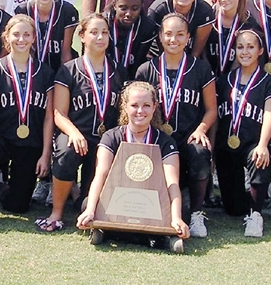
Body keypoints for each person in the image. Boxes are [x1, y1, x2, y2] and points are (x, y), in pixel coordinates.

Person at [38, 14, 127, 231]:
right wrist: (74, 133)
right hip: (78, 136)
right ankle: (57, 212)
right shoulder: (69, 70)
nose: (100, 37)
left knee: (90, 205)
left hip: (106, 141)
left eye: (105, 32)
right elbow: (59, 113)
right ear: (82, 36)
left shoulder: (118, 71)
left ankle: (77, 194)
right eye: (94, 32)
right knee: (67, 152)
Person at [0, 15, 55, 231]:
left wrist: (45, 155)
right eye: (16, 34)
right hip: (2, 138)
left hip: (29, 144)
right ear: (7, 37)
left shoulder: (45, 73)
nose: (21, 39)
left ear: (34, 38)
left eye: (27, 34)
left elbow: (48, 118)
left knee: (18, 206)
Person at [76, 81, 190, 242]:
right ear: (125, 106)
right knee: (87, 203)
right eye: (134, 105)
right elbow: (101, 175)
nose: (140, 111)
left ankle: (110, 231)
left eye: (146, 105)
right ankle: (154, 237)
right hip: (119, 201)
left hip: (150, 204)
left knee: (183, 210)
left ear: (154, 106)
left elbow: (172, 183)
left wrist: (176, 218)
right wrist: (90, 211)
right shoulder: (111, 137)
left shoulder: (165, 141)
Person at [135, 14, 217, 238]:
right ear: (160, 37)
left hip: (187, 135)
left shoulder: (200, 69)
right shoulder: (146, 70)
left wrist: (201, 129)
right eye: (168, 34)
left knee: (200, 153)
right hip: (156, 136)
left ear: (189, 37)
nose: (174, 39)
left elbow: (211, 109)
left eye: (180, 34)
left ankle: (197, 213)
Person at [212, 29, 271, 237]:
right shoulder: (224, 81)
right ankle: (255, 196)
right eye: (240, 47)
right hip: (227, 146)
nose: (245, 51)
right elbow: (216, 117)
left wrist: (262, 144)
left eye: (250, 47)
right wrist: (213, 149)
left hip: (253, 143)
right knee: (233, 209)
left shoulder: (269, 82)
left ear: (260, 51)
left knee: (259, 159)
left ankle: (256, 214)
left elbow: (270, 115)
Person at [15, 0, 78, 72]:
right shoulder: (23, 11)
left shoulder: (67, 11)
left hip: (58, 69)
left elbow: (66, 53)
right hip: (31, 71)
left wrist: (64, 80)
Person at [148, 0, 215, 58]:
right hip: (159, 56)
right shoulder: (158, 9)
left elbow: (196, 52)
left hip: (189, 57)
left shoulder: (205, 12)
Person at [103, 0, 158, 78]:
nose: (128, 13)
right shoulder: (103, 23)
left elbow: (140, 61)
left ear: (141, 6)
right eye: (123, 8)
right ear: (115, 5)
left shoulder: (147, 27)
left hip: (134, 77)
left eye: (134, 8)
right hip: (105, 76)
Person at [204, 0, 252, 76]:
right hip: (206, 80)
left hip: (235, 83)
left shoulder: (249, 24)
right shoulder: (206, 17)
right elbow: (200, 53)